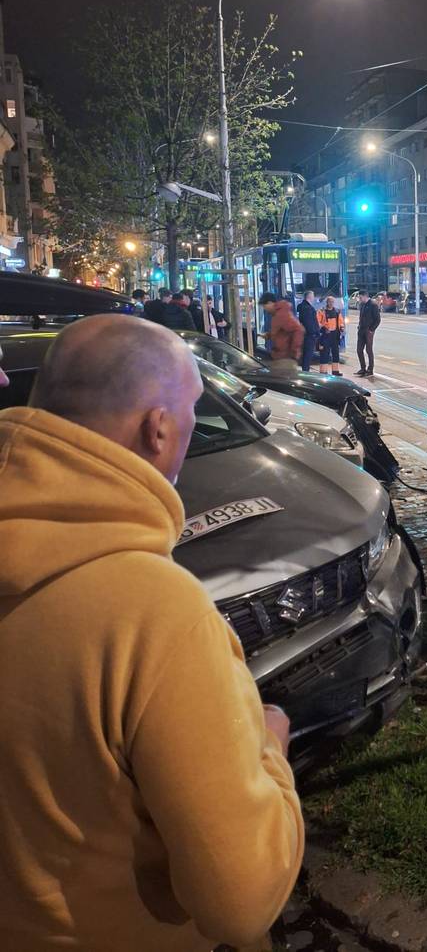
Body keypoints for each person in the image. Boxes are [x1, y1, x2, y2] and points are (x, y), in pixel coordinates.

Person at [0, 316, 303, 952]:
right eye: (193, 409)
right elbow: (241, 900)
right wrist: (270, 749)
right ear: (158, 428)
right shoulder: (154, 612)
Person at [259, 291, 305, 376]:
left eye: (264, 306)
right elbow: (281, 332)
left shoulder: (282, 314)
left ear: (270, 303)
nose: (264, 309)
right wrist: (268, 335)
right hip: (281, 357)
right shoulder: (276, 314)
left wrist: (294, 352)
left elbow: (298, 330)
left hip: (286, 359)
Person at [316, 294, 344, 375]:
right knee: (324, 353)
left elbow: (341, 321)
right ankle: (323, 372)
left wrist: (342, 327)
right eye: (329, 302)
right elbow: (318, 322)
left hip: (335, 335)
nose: (331, 303)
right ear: (327, 302)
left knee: (336, 353)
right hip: (325, 335)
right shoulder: (322, 311)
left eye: (332, 302)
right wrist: (323, 328)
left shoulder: (337, 311)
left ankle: (335, 371)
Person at [356, 288, 381, 378]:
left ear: (365, 296)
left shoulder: (373, 305)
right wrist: (359, 326)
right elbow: (361, 317)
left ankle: (370, 369)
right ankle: (363, 368)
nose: (359, 299)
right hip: (361, 330)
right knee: (359, 350)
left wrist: (371, 329)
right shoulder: (362, 305)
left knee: (369, 350)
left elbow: (377, 320)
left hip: (368, 331)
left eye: (360, 297)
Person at [296, 289, 321, 373]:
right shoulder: (308, 308)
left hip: (304, 334)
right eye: (313, 296)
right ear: (309, 297)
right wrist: (315, 332)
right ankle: (305, 371)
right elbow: (309, 323)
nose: (314, 298)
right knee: (308, 354)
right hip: (309, 335)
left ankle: (305, 370)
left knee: (306, 354)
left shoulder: (301, 306)